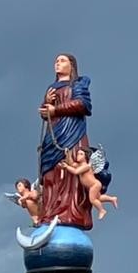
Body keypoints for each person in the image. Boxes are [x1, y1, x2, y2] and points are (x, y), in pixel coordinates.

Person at [36, 53, 95, 229]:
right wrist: (46, 105)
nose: (57, 64)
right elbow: (46, 111)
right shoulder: (51, 88)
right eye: (56, 61)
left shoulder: (77, 84)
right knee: (51, 173)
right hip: (54, 133)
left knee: (70, 172)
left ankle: (71, 212)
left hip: (72, 134)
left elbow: (83, 105)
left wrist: (57, 109)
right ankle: (50, 211)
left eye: (62, 61)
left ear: (72, 65)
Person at [58, 147, 118, 219]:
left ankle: (102, 210)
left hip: (94, 185)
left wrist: (66, 167)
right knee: (98, 198)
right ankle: (112, 199)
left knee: (92, 200)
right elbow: (72, 164)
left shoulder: (86, 166)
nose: (78, 156)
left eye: (81, 154)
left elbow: (76, 172)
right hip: (93, 185)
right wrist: (68, 155)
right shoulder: (79, 165)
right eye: (77, 154)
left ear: (85, 157)